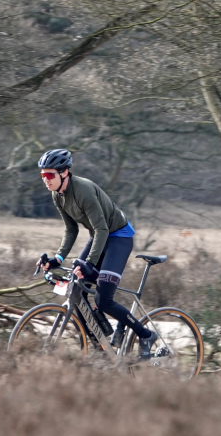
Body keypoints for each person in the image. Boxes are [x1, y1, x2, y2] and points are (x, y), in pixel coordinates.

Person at [34, 148, 157, 358]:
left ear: (64, 172)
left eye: (49, 175)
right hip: (99, 237)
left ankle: (146, 335)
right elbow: (71, 230)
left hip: (118, 237)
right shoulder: (57, 195)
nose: (45, 180)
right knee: (76, 291)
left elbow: (102, 229)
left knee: (103, 300)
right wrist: (58, 258)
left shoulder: (83, 190)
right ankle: (100, 346)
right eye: (42, 175)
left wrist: (88, 263)